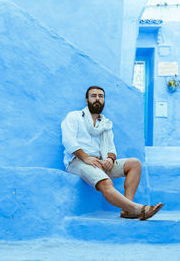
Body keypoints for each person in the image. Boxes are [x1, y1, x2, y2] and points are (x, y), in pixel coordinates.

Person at [61, 86, 164, 220]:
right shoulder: (74, 117)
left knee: (135, 164)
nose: (97, 99)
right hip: (78, 161)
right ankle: (139, 209)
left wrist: (110, 158)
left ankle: (127, 211)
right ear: (86, 100)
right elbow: (68, 141)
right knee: (106, 182)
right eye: (93, 96)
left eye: (101, 96)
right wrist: (86, 158)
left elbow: (111, 148)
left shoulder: (105, 124)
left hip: (100, 162)